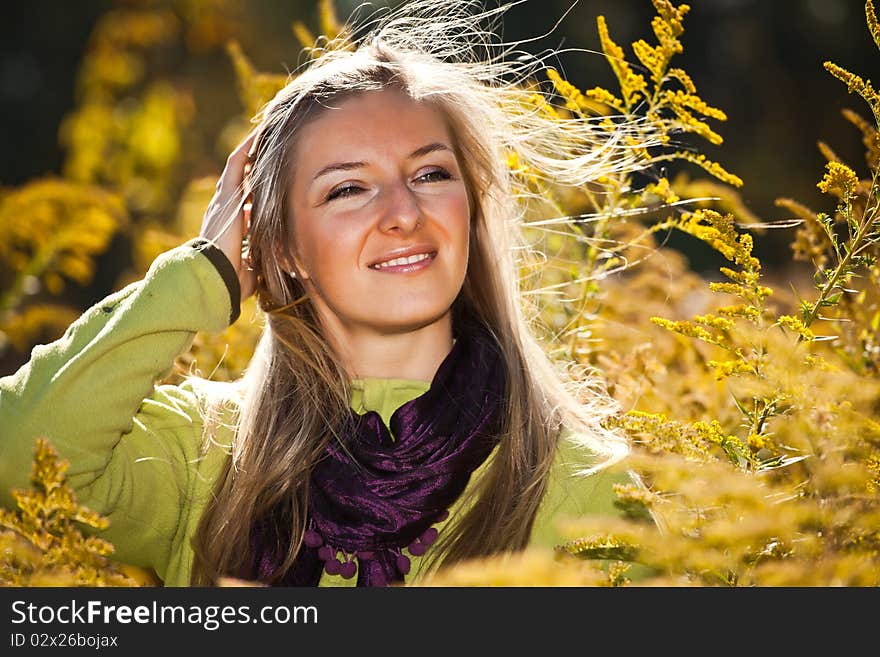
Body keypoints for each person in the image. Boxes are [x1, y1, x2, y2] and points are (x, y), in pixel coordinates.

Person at [0, 0, 652, 587]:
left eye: (430, 173)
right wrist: (203, 273)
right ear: (281, 247)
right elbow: (19, 449)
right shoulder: (199, 454)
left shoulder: (590, 490)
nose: (403, 212)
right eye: (347, 188)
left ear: (472, 211)